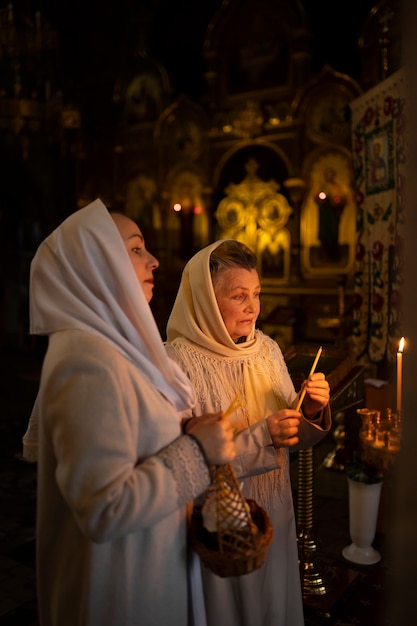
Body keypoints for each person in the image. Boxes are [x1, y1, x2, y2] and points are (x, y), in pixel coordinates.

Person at [29, 198, 236, 626]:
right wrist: (196, 451)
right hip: (119, 590)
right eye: (136, 248)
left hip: (147, 567)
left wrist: (182, 430)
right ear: (97, 261)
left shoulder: (115, 350)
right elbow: (105, 506)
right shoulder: (85, 361)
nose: (155, 260)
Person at [165, 239, 331, 626]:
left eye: (256, 294)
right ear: (205, 300)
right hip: (221, 525)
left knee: (275, 603)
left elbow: (292, 433)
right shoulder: (176, 363)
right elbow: (181, 461)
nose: (253, 307)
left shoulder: (267, 350)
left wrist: (309, 409)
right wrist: (261, 436)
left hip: (276, 508)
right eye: (239, 296)